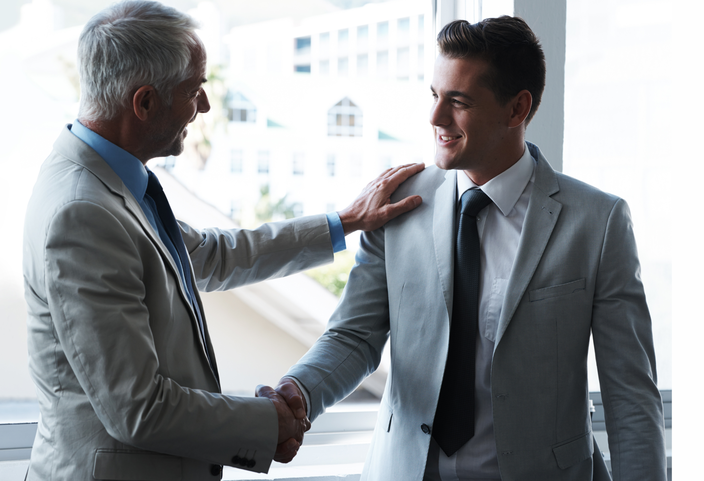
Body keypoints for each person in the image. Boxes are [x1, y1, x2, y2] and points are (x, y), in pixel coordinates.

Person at [21, 1, 423, 479]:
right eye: (194, 90)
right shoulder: (83, 213)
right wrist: (267, 423)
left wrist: (346, 221)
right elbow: (138, 409)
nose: (205, 106)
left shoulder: (110, 179)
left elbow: (210, 255)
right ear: (144, 102)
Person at [273, 16, 667, 481]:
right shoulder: (397, 204)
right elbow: (354, 337)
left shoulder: (597, 223)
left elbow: (631, 395)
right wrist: (299, 390)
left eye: (458, 102)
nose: (436, 118)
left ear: (517, 109)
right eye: (435, 96)